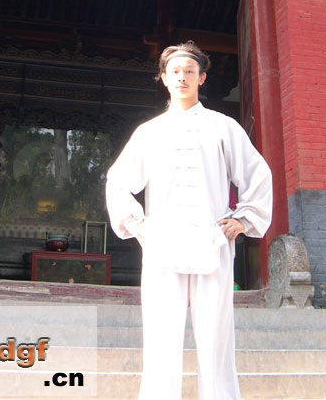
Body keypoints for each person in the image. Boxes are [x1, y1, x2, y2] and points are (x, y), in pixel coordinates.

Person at [106, 41, 273, 400]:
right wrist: (137, 225)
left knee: (216, 338)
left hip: (212, 243)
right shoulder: (149, 132)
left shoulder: (223, 127)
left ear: (202, 78)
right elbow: (118, 181)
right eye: (175, 71)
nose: (182, 77)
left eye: (189, 71)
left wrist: (243, 220)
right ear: (164, 78)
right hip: (163, 246)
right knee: (161, 336)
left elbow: (257, 173)